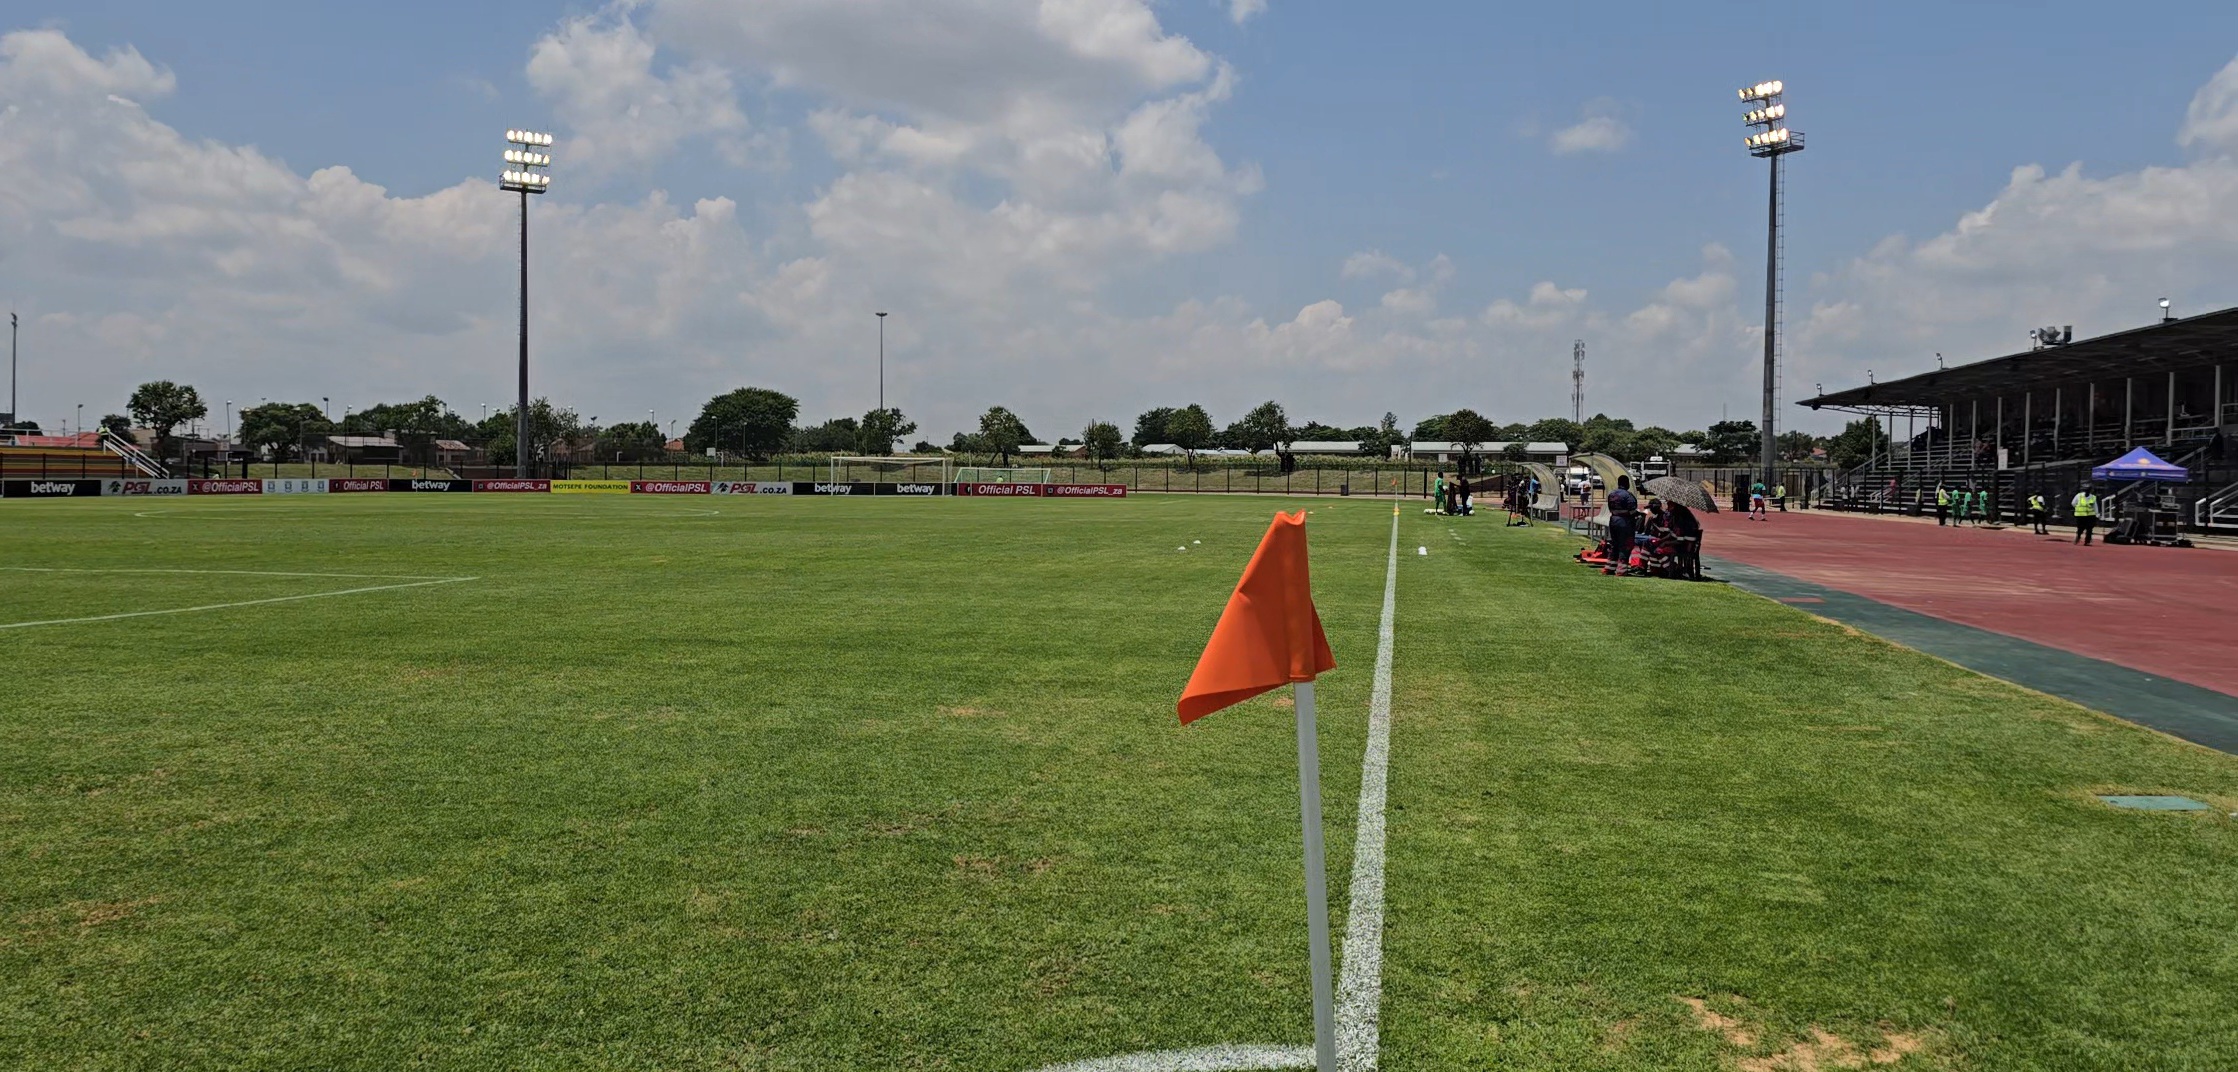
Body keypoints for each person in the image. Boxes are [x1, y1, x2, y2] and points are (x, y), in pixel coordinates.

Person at [1604, 475, 1640, 575]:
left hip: (1613, 520)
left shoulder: (1612, 494)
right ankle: (1621, 570)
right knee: (1625, 545)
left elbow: (1611, 508)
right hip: (1624, 522)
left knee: (1614, 544)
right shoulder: (1628, 496)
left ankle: (1609, 568)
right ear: (1627, 483)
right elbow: (1632, 510)